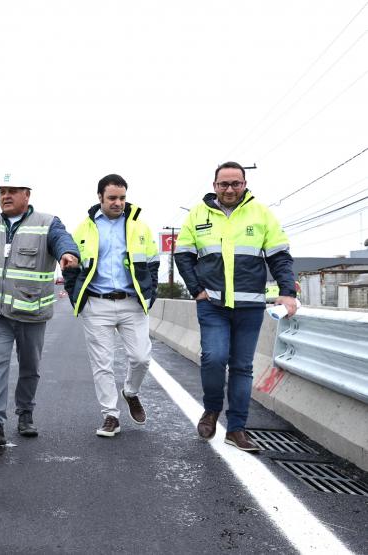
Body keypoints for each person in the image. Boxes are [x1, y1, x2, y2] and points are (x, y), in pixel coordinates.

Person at [175, 161, 297, 453]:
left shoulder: (261, 214)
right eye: (224, 184)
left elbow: (280, 257)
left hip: (249, 306)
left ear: (244, 184)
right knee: (214, 358)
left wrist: (287, 292)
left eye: (235, 184)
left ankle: (237, 428)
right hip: (212, 304)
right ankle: (212, 410)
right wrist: (197, 290)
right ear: (214, 186)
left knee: (242, 367)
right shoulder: (198, 214)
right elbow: (183, 255)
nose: (229, 189)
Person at [0, 180, 79, 446]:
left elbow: (63, 240)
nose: (5, 197)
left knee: (29, 366)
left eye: (11, 192)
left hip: (31, 312)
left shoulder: (47, 223)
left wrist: (68, 253)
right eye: (2, 192)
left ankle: (25, 414)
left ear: (27, 195)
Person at [63, 174, 159, 438]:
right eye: (112, 198)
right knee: (102, 364)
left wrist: (150, 296)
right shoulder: (83, 228)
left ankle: (130, 391)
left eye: (122, 198)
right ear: (100, 198)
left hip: (132, 303)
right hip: (97, 304)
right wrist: (76, 300)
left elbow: (153, 265)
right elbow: (71, 269)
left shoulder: (140, 227)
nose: (118, 203)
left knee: (141, 358)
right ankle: (110, 416)